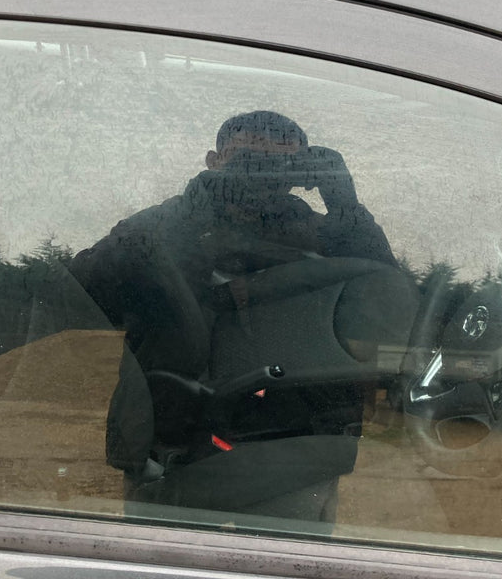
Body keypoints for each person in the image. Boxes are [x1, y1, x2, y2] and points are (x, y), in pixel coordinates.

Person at [70, 111, 414, 524]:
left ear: (304, 172)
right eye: (248, 160)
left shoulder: (328, 236)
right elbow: (85, 292)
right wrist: (194, 210)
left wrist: (346, 206)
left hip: (294, 451)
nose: (262, 175)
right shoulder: (166, 224)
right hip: (174, 446)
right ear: (213, 161)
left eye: (281, 163)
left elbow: (387, 308)